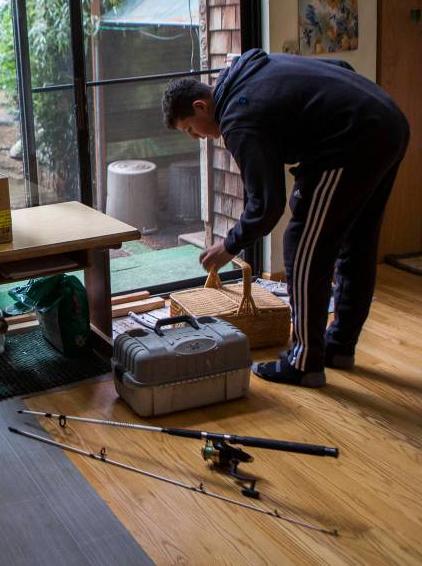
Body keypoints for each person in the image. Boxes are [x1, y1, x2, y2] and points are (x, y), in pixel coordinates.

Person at [161, 48, 410, 387]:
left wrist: (229, 247)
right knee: (357, 240)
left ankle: (305, 363)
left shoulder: (238, 119)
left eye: (190, 128)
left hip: (352, 140)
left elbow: (266, 204)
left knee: (303, 247)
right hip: (387, 120)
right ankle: (339, 346)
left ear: (200, 107)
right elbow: (340, 66)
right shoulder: (248, 72)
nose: (195, 137)